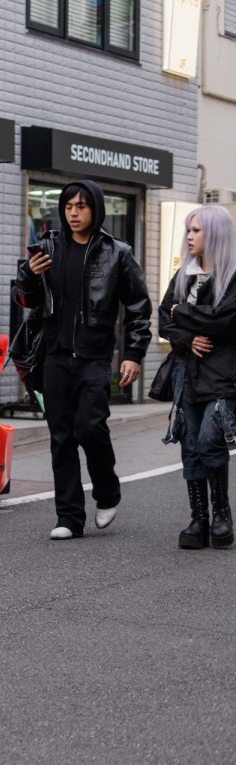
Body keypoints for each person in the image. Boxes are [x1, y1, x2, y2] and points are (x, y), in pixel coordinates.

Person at [12, 179, 152, 540]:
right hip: (55, 355)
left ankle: (107, 491)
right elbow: (24, 299)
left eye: (82, 206)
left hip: (94, 357)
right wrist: (30, 275)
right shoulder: (47, 248)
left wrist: (133, 354)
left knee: (90, 426)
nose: (74, 213)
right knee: (61, 436)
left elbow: (138, 307)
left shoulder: (116, 252)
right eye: (69, 206)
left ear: (96, 209)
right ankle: (69, 517)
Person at [157, 205, 236, 549]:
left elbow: (222, 321)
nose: (189, 237)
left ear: (215, 234)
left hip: (222, 372)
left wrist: (182, 313)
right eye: (188, 230)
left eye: (197, 230)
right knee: (190, 443)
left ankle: (222, 514)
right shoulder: (184, 275)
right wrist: (188, 336)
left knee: (210, 438)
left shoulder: (232, 274)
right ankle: (199, 518)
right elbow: (162, 320)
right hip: (185, 369)